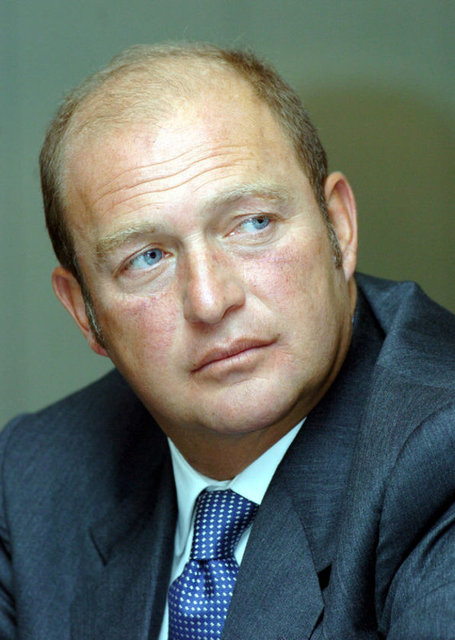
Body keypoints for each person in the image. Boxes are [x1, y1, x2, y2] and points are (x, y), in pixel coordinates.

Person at [1, 42, 455, 640]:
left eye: (253, 223)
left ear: (339, 227)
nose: (211, 301)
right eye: (148, 258)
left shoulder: (439, 455)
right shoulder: (34, 475)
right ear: (84, 311)